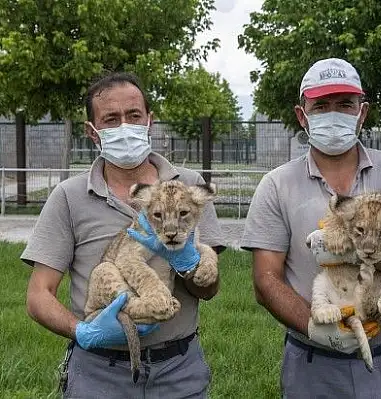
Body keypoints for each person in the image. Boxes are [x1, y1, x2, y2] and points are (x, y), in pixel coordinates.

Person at [239, 57, 381, 398]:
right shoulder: (276, 185)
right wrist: (314, 328)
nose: (334, 114)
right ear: (302, 116)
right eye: (321, 106)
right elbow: (265, 280)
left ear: (362, 112)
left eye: (345, 104)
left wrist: (351, 245)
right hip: (313, 366)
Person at [21, 72, 226, 398]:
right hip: (100, 372)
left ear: (149, 121)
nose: (124, 127)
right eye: (111, 120)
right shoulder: (69, 196)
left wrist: (190, 261)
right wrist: (84, 332)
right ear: (92, 132)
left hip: (178, 369)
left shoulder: (188, 185)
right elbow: (38, 296)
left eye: (133, 116)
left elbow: (209, 290)